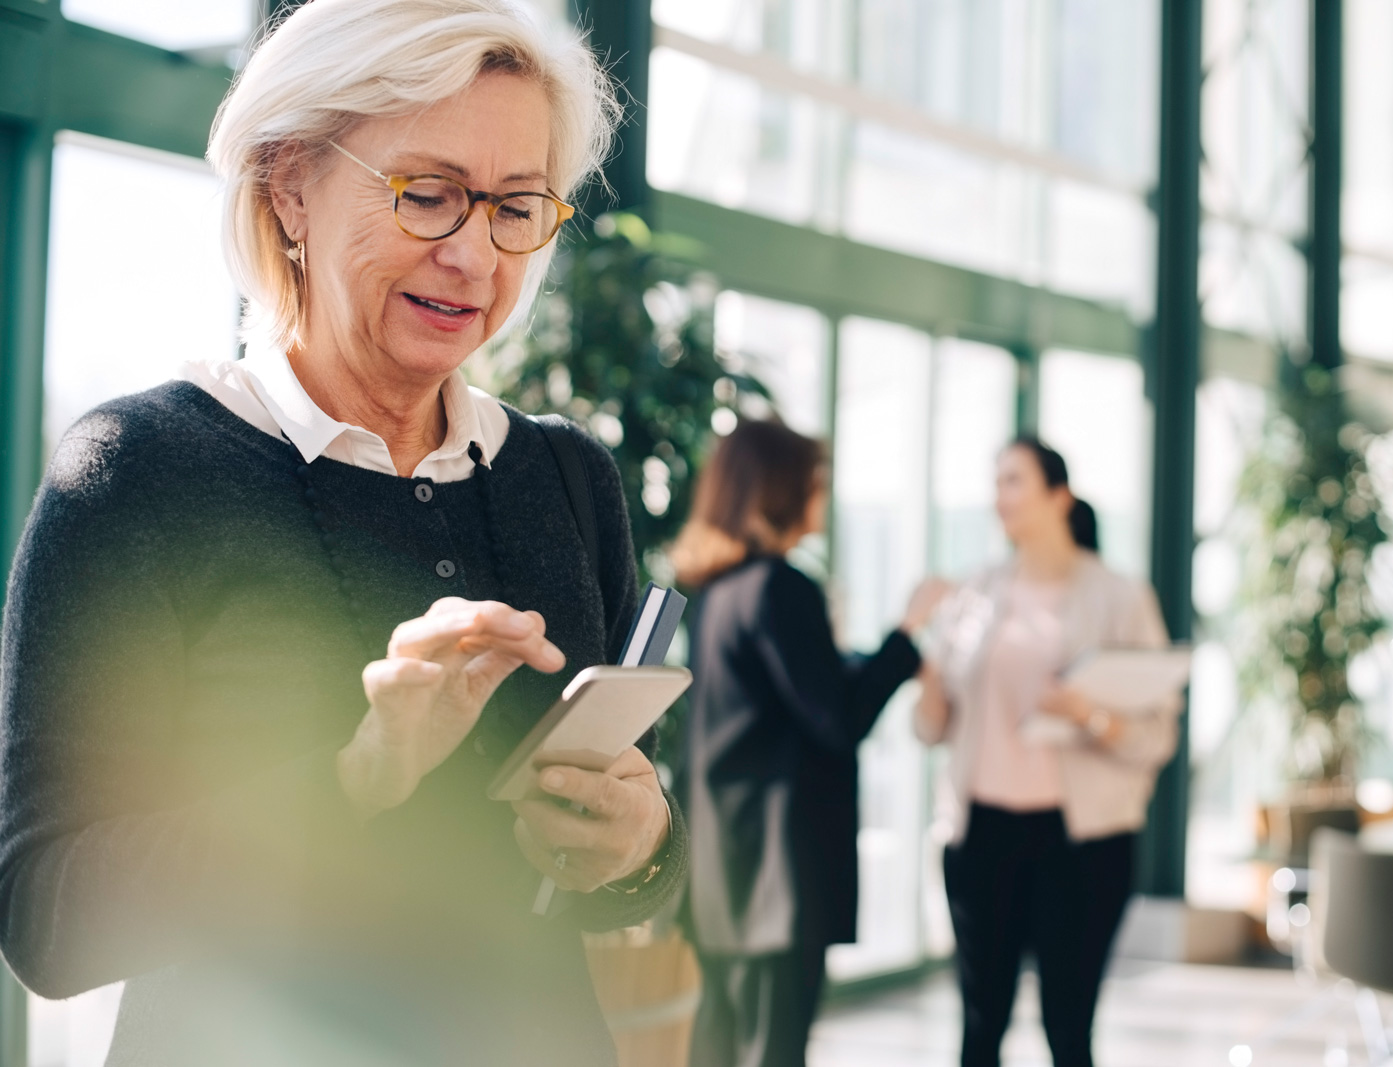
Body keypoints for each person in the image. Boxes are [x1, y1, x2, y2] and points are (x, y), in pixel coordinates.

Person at [0, 2, 683, 1063]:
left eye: (513, 206)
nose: (473, 254)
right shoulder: (139, 470)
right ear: (289, 186)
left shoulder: (565, 473)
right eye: (427, 194)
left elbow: (605, 874)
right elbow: (46, 919)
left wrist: (640, 842)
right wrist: (355, 775)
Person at [671, 421, 944, 1067]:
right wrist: (906, 635)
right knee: (772, 1048)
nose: (822, 494)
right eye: (814, 481)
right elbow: (838, 716)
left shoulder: (717, 592)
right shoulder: (780, 586)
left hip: (722, 868)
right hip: (775, 874)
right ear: (782, 489)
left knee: (719, 1039)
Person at [914, 437, 1178, 1067]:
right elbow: (931, 730)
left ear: (1059, 497)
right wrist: (923, 672)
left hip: (1082, 844)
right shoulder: (974, 594)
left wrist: (1088, 713)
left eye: (1014, 481)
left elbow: (1157, 737)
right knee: (981, 1027)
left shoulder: (1120, 597)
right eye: (995, 481)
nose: (998, 497)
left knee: (1068, 1028)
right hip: (981, 837)